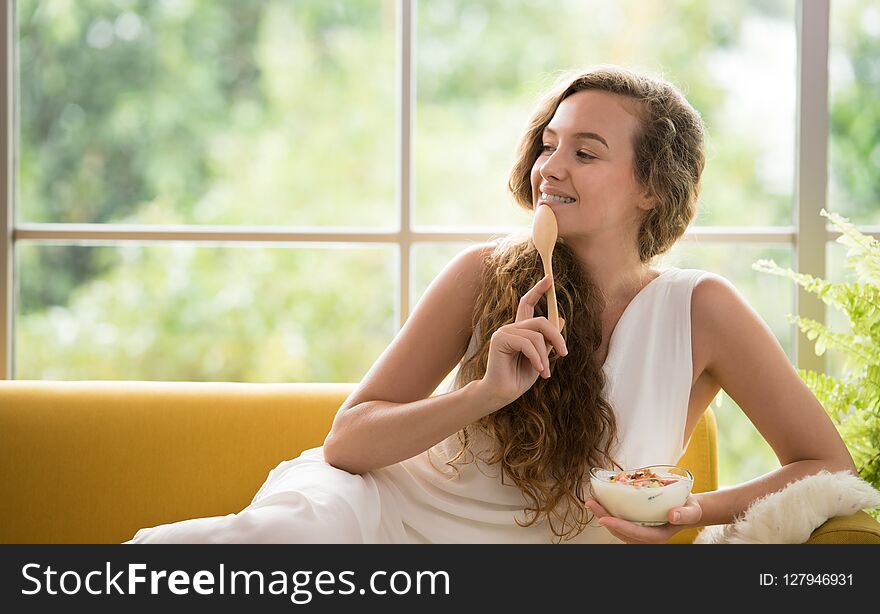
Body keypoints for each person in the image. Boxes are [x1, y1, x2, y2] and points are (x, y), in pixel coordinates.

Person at [126, 65, 856, 545]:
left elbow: (824, 462)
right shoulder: (483, 275)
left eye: (586, 151)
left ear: (652, 187)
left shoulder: (702, 311)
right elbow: (348, 443)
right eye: (548, 144)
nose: (551, 166)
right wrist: (482, 393)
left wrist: (689, 511)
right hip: (380, 515)